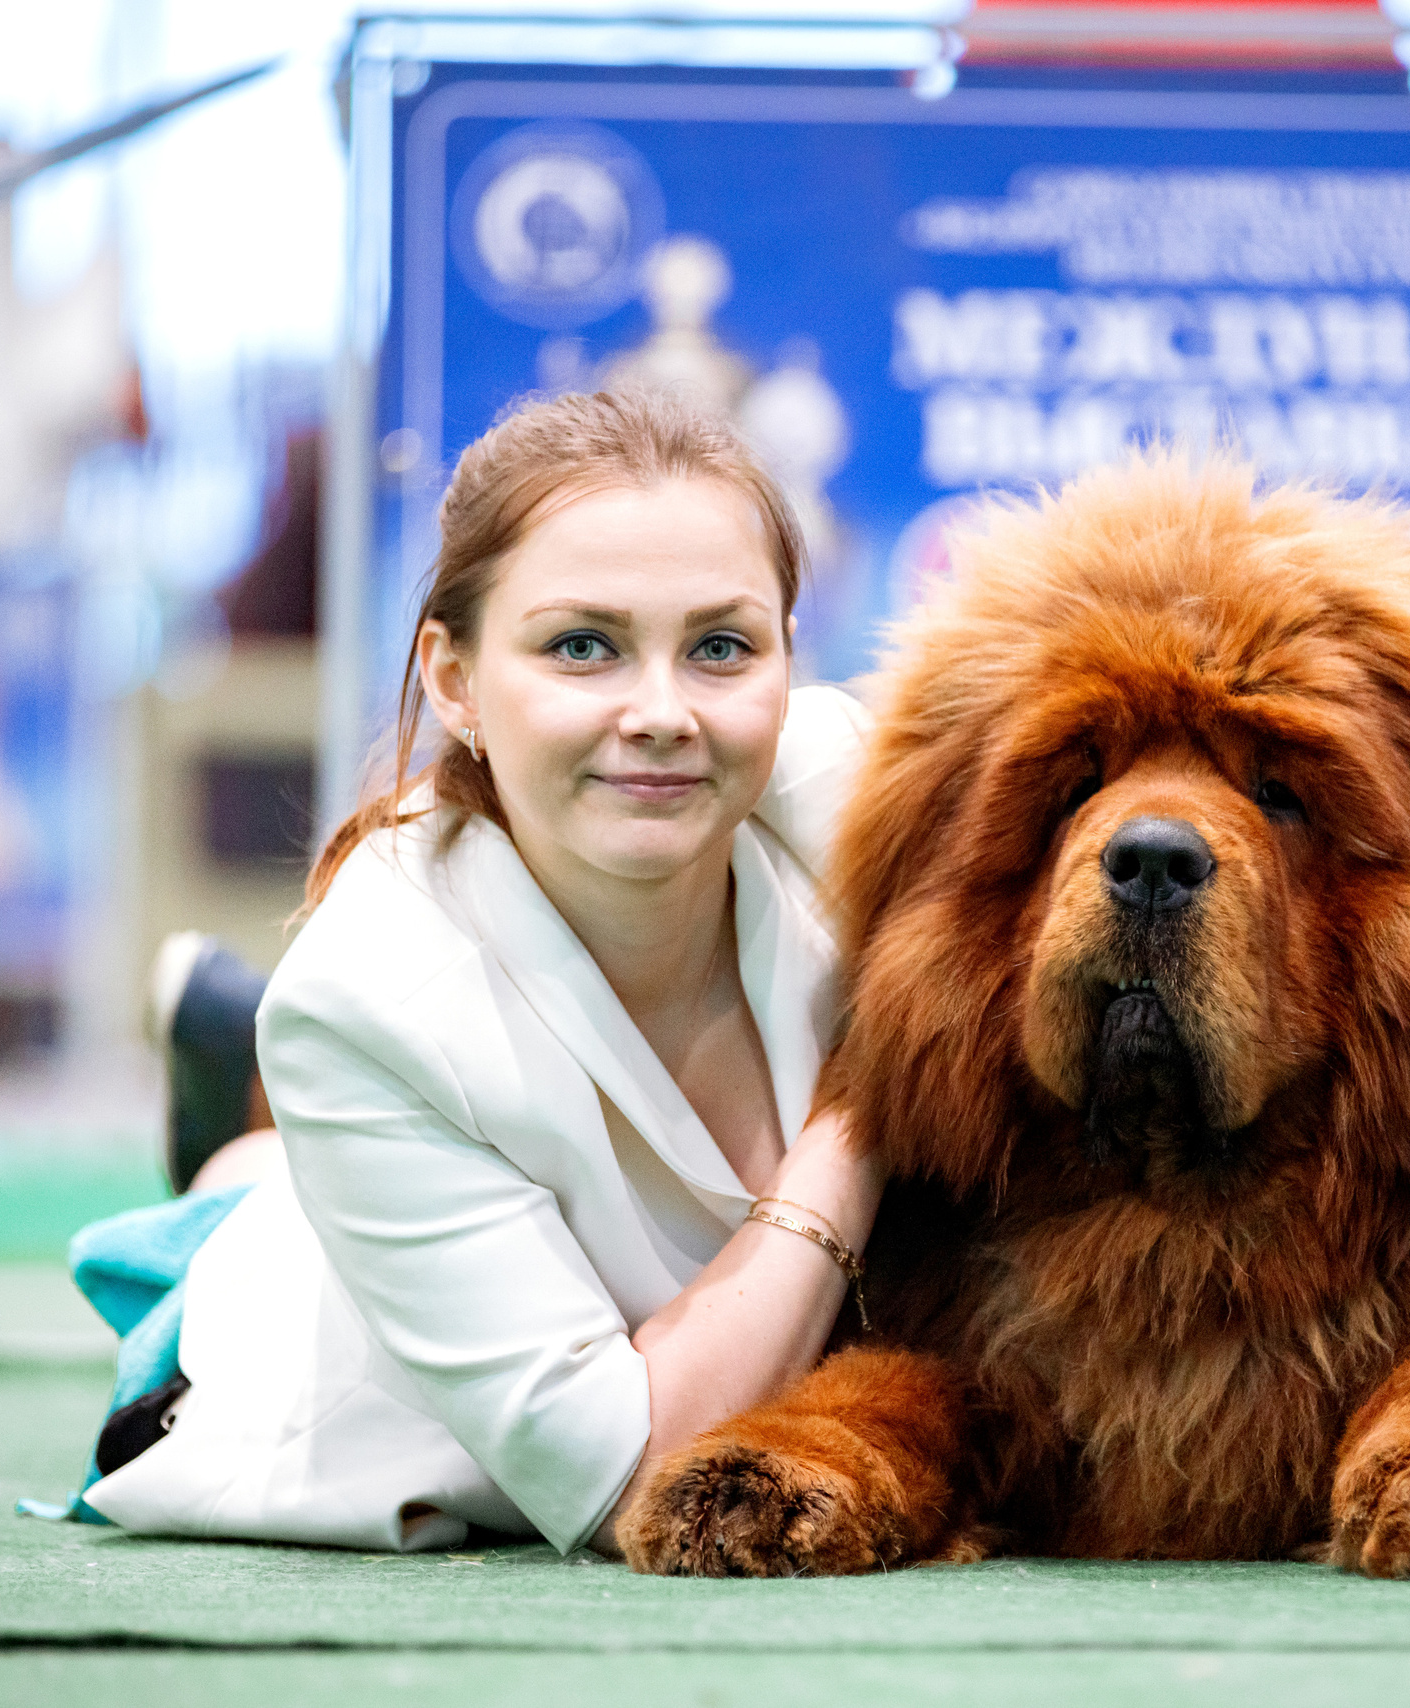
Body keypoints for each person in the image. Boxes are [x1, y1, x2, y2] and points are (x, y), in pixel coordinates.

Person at [52, 389, 880, 1555]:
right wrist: (865, 1106)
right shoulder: (364, 1001)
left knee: (301, 1153)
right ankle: (244, 1116)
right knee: (249, 1223)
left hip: (402, 1119)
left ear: (789, 655)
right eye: (581, 646)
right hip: (319, 1357)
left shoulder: (857, 790)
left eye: (721, 647)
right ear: (452, 678)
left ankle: (246, 1090)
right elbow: (645, 1479)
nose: (661, 712)